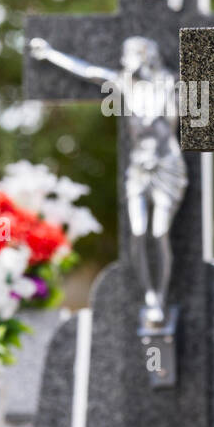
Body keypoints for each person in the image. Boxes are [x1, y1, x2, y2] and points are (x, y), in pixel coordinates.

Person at [29, 35, 188, 331]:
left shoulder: (169, 84)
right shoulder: (122, 84)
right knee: (138, 232)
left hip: (167, 166)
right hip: (138, 167)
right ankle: (149, 294)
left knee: (159, 231)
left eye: (129, 54)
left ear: (144, 55)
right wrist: (50, 54)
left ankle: (161, 296)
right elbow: (87, 70)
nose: (123, 59)